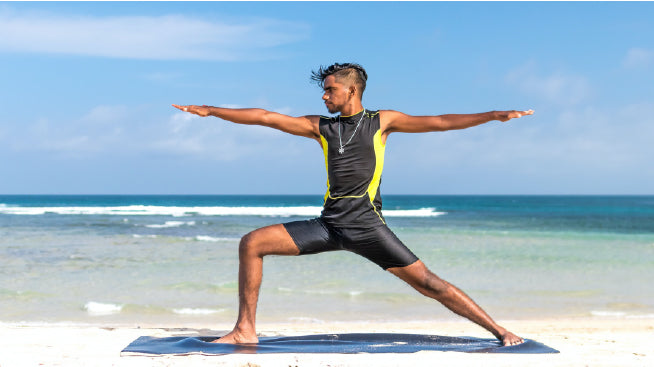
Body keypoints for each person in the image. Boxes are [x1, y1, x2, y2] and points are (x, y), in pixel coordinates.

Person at [173, 62, 533, 347]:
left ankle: (499, 330)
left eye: (330, 90)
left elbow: (439, 122)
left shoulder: (381, 122)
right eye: (324, 91)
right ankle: (244, 329)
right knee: (252, 243)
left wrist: (491, 115)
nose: (325, 97)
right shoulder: (322, 128)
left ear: (352, 90)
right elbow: (267, 117)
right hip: (328, 226)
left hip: (367, 228)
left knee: (430, 284)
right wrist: (212, 110)